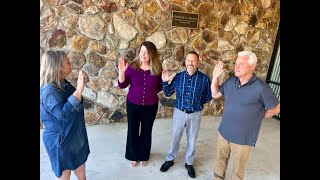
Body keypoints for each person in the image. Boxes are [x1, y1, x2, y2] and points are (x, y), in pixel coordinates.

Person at [211, 51, 280, 180]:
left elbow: (276, 108)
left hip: (243, 138)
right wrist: (215, 77)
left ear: (252, 67)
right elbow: (215, 94)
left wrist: (260, 115)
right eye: (236, 63)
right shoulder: (231, 81)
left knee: (238, 170)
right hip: (224, 132)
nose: (236, 67)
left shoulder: (261, 88)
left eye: (241, 64)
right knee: (220, 160)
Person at [159, 51, 212, 178]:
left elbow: (208, 97)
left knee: (192, 139)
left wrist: (197, 104)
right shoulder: (178, 77)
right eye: (188, 60)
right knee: (175, 137)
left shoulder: (204, 79)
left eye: (193, 60)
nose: (190, 63)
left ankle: (189, 163)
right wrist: (165, 82)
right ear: (185, 62)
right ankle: (170, 159)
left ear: (198, 62)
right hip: (179, 112)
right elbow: (168, 93)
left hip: (195, 113)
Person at [40, 50, 90, 180]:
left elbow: (73, 100)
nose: (70, 63)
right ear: (58, 67)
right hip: (60, 140)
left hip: (73, 134)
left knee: (81, 172)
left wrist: (81, 83)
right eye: (67, 62)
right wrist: (79, 89)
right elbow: (62, 114)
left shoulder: (62, 82)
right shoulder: (48, 91)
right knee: (64, 175)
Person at [118, 41, 162, 167]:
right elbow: (122, 85)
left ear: (152, 54)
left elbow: (159, 87)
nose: (143, 54)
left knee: (146, 131)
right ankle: (132, 155)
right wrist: (121, 72)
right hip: (133, 104)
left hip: (151, 105)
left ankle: (143, 155)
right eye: (142, 51)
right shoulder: (132, 67)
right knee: (133, 129)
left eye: (147, 52)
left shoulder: (157, 69)